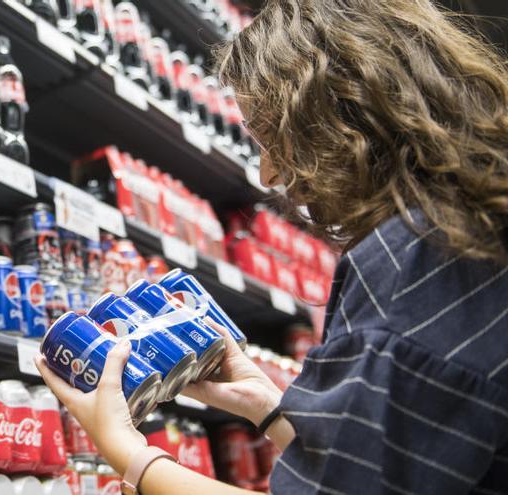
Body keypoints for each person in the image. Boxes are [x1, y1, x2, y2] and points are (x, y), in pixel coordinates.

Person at [35, 0, 508, 493]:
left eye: (270, 139)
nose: (268, 174)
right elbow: (405, 460)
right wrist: (270, 410)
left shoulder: (415, 258)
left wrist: (125, 449)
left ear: (337, 114)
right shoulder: (467, 232)